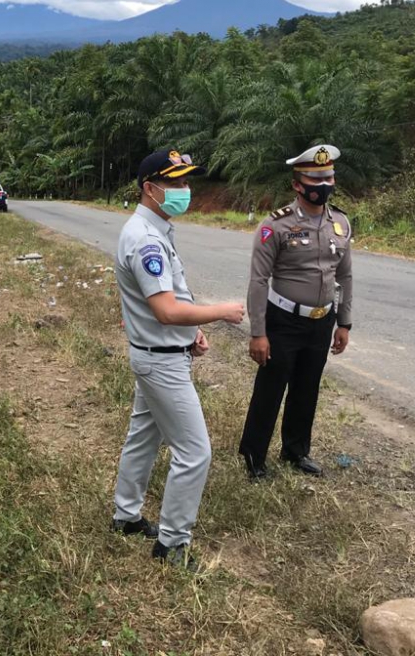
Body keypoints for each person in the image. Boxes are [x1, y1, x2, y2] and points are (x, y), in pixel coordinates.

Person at [111, 149, 245, 567]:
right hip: (161, 363)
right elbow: (166, 310)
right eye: (177, 184)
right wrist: (222, 311)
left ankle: (125, 515)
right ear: (151, 189)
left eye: (188, 182)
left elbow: (171, 305)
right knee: (195, 452)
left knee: (143, 438)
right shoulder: (147, 239)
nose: (186, 191)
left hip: (159, 352)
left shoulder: (153, 229)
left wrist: (192, 332)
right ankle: (171, 543)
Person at [238, 144, 354, 480]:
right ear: (297, 185)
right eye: (315, 178)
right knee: (271, 389)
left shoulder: (341, 223)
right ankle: (254, 456)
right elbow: (258, 281)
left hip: (322, 321)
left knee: (307, 387)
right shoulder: (275, 226)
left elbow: (344, 275)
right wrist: (258, 332)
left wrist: (344, 322)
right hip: (283, 321)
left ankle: (295, 450)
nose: (323, 184)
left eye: (328, 177)